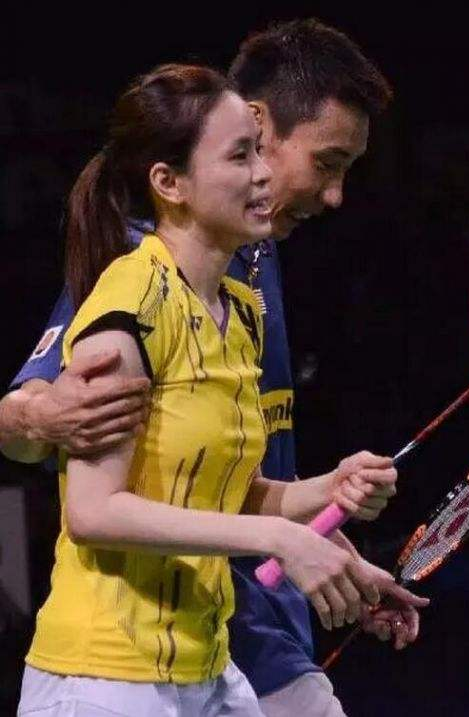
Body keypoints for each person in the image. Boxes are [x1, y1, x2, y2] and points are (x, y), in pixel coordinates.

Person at [3, 20, 428, 716]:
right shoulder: (134, 287)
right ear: (173, 180)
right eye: (326, 163)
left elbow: (219, 480)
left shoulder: (241, 294)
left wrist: (330, 514)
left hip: (214, 636)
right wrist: (40, 416)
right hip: (114, 664)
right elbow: (87, 502)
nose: (334, 195)